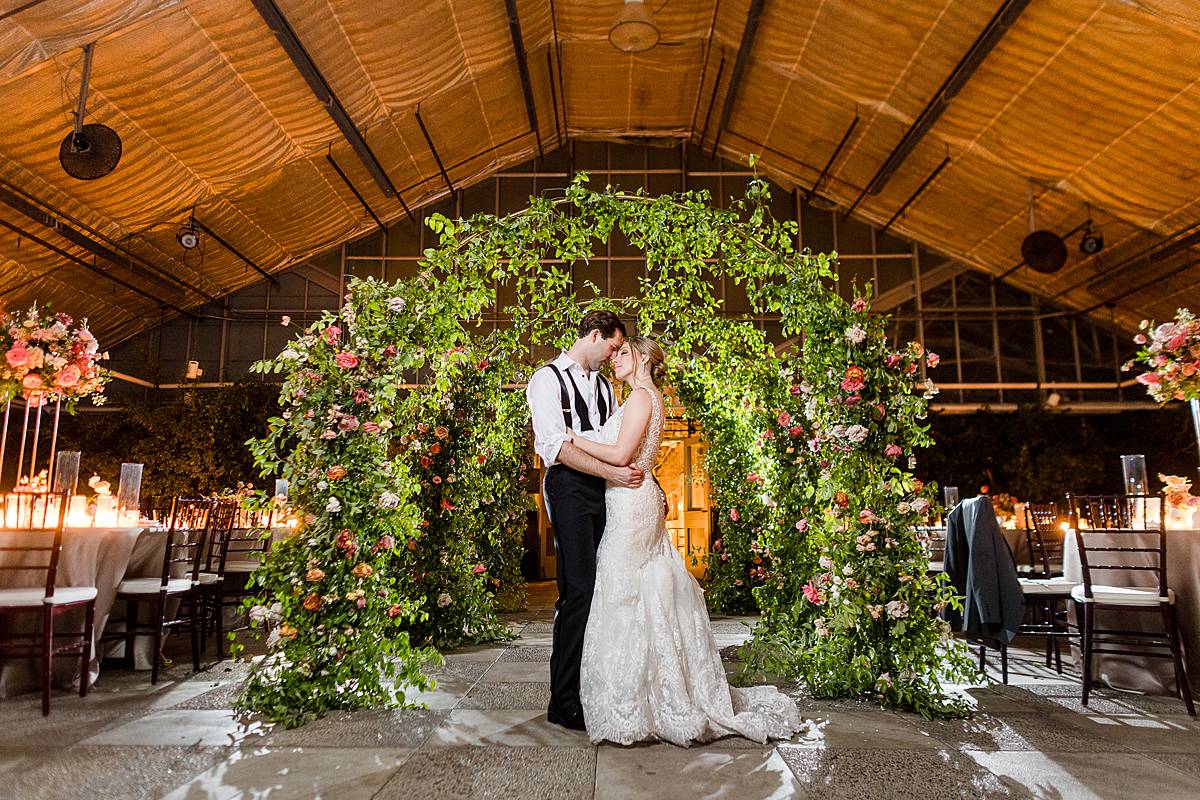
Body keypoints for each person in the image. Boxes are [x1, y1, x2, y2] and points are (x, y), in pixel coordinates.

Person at [570, 335, 805, 746]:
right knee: (636, 589)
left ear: (641, 358)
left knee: (624, 590)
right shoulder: (643, 396)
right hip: (630, 499)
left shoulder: (643, 397)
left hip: (631, 501)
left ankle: (637, 699)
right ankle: (647, 690)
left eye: (623, 352)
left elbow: (623, 454)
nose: (615, 359)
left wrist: (570, 439)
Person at [526, 309, 645, 731]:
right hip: (570, 490)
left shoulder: (605, 388)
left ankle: (596, 686)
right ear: (595, 336)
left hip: (604, 491)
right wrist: (612, 472)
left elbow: (614, 440)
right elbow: (554, 447)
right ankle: (563, 701)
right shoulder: (546, 380)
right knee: (577, 592)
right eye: (612, 347)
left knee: (605, 589)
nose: (614, 357)